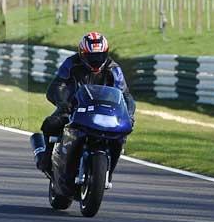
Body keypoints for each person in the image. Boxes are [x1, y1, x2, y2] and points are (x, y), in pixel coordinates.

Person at [32, 31, 136, 175]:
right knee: (52, 123)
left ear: (106, 53)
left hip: (104, 111)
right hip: (74, 107)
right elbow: (57, 86)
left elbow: (125, 94)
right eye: (92, 56)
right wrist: (63, 103)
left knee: (120, 134)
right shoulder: (71, 63)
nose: (96, 60)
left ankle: (108, 169)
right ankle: (47, 159)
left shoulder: (113, 69)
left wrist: (129, 114)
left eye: (100, 55)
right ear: (82, 53)